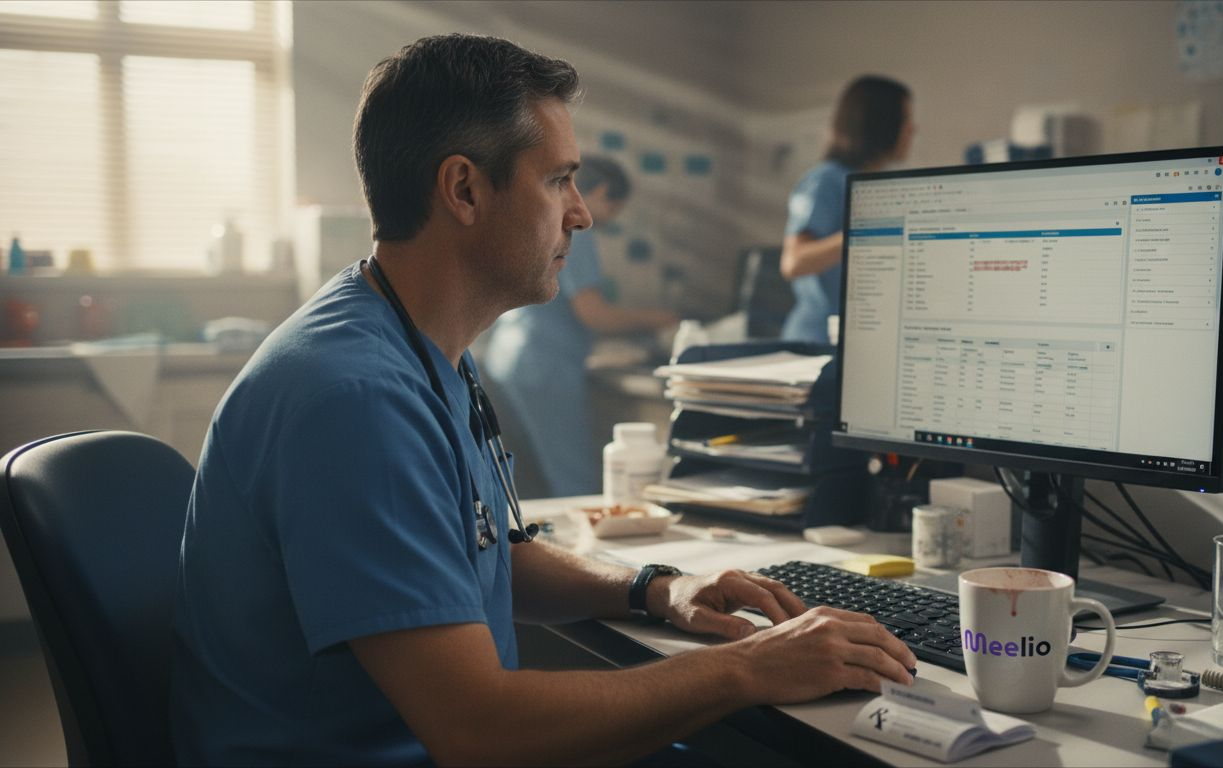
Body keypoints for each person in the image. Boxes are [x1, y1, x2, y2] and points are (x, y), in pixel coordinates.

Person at [170, 34, 916, 766]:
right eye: (559, 179)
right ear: (464, 189)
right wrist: (750, 667)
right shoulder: (356, 399)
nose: (581, 214)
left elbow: (490, 552)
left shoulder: (412, 342)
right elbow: (480, 732)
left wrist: (657, 588)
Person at [483, 155, 677, 497]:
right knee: (573, 478)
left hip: (508, 353)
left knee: (527, 474)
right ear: (601, 192)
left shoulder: (539, 220)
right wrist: (655, 318)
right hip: (543, 363)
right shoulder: (577, 231)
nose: (610, 217)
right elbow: (593, 313)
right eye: (615, 206)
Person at [779, 75, 915, 344]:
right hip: (814, 344)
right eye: (906, 119)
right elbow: (794, 261)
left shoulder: (880, 186)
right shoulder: (826, 181)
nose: (913, 128)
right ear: (882, 122)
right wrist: (866, 234)